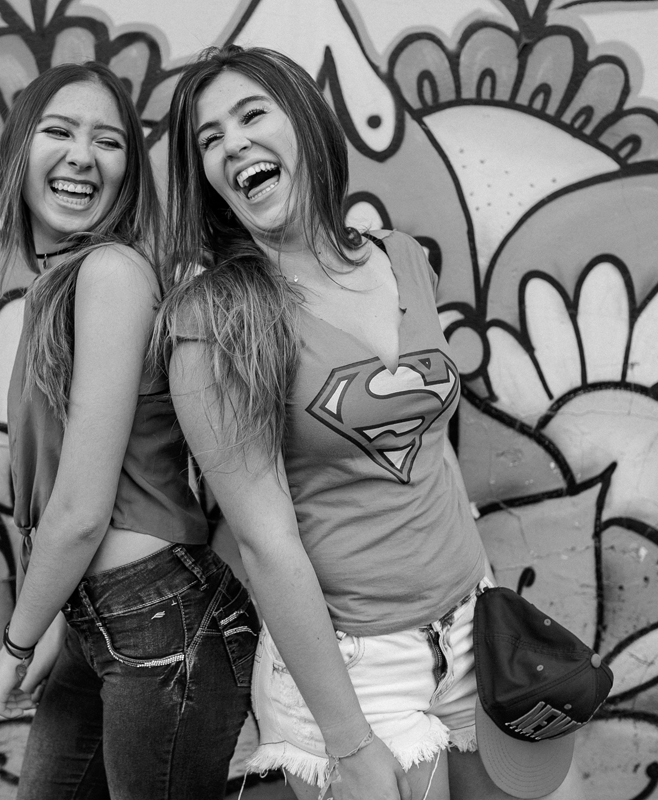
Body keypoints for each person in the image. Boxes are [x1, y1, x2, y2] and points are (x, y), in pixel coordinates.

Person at [154, 45, 544, 800]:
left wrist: (487, 596)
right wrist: (349, 739)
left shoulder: (403, 259)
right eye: (209, 139)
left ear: (307, 125)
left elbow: (431, 443)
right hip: (358, 665)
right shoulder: (217, 320)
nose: (233, 143)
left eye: (252, 114)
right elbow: (265, 544)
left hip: (474, 627)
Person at [0, 61, 257, 800]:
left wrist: (16, 641)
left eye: (108, 142)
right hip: (99, 617)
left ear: (128, 175)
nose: (82, 156)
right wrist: (54, 625)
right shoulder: (59, 285)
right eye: (60, 131)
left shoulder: (110, 273)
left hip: (160, 619)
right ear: (19, 151)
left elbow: (81, 509)